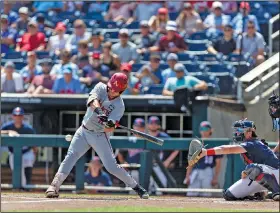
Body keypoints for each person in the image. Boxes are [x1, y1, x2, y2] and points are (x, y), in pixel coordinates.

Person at [45, 73, 149, 199]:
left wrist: (110, 124)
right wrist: (100, 112)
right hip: (83, 131)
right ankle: (54, 186)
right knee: (70, 156)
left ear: (121, 91)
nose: (111, 91)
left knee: (111, 167)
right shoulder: (100, 87)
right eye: (110, 87)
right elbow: (92, 101)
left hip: (99, 135)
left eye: (115, 90)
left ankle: (136, 187)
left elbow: (108, 128)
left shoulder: (119, 106)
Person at [194, 119, 279, 201]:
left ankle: (277, 191)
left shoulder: (253, 143)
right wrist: (247, 172)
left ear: (249, 132)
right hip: (264, 176)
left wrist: (206, 152)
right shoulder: (247, 146)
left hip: (276, 173)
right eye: (237, 130)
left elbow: (227, 150)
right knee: (229, 194)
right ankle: (259, 193)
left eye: (240, 130)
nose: (237, 133)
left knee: (252, 168)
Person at [185, 121, 223, 197]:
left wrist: (215, 178)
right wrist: (187, 175)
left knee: (206, 195)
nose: (204, 131)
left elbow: (218, 163)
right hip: (196, 171)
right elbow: (191, 161)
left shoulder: (215, 143)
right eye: (202, 129)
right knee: (190, 195)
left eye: (206, 129)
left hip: (208, 171)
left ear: (210, 130)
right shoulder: (196, 143)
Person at [1, 107, 36, 187]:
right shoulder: (8, 126)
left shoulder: (28, 129)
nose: (18, 117)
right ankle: (20, 187)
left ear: (23, 116)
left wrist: (35, 154)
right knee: (17, 170)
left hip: (26, 152)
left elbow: (35, 142)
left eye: (20, 115)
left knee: (27, 163)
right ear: (13, 116)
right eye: (16, 115)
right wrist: (8, 132)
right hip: (13, 153)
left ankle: (27, 186)